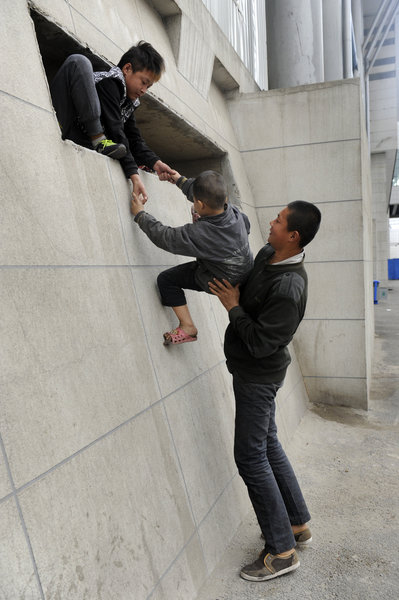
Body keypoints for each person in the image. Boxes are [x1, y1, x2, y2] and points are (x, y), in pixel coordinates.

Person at [209, 201, 321, 582]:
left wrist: (233, 307)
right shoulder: (268, 254)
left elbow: (260, 343)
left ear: (294, 236)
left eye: (278, 220)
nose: (270, 223)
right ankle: (296, 525)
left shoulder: (290, 287)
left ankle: (281, 551)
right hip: (251, 372)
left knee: (250, 456)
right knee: (268, 444)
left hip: (259, 376)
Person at [130, 170, 253, 345]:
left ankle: (188, 327)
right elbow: (246, 228)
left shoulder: (202, 234)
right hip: (244, 270)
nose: (194, 202)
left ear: (200, 204)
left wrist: (141, 215)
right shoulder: (235, 212)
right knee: (200, 220)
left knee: (166, 280)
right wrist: (180, 180)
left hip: (220, 281)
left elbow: (167, 237)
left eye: (195, 201)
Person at [50, 41, 173, 201]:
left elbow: (134, 139)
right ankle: (99, 139)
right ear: (127, 69)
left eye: (148, 87)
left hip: (81, 139)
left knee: (124, 141)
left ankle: (99, 141)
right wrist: (133, 174)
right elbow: (116, 129)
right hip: (64, 121)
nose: (144, 91)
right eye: (143, 82)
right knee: (79, 62)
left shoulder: (127, 102)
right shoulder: (110, 82)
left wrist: (155, 163)